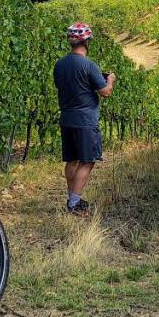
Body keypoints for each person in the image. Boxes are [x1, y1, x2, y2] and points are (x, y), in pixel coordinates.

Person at [52, 22, 115, 216]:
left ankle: (72, 197)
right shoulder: (89, 65)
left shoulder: (59, 64)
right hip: (85, 120)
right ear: (87, 41)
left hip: (66, 117)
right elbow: (105, 92)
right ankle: (74, 202)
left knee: (71, 160)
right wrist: (110, 79)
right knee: (87, 161)